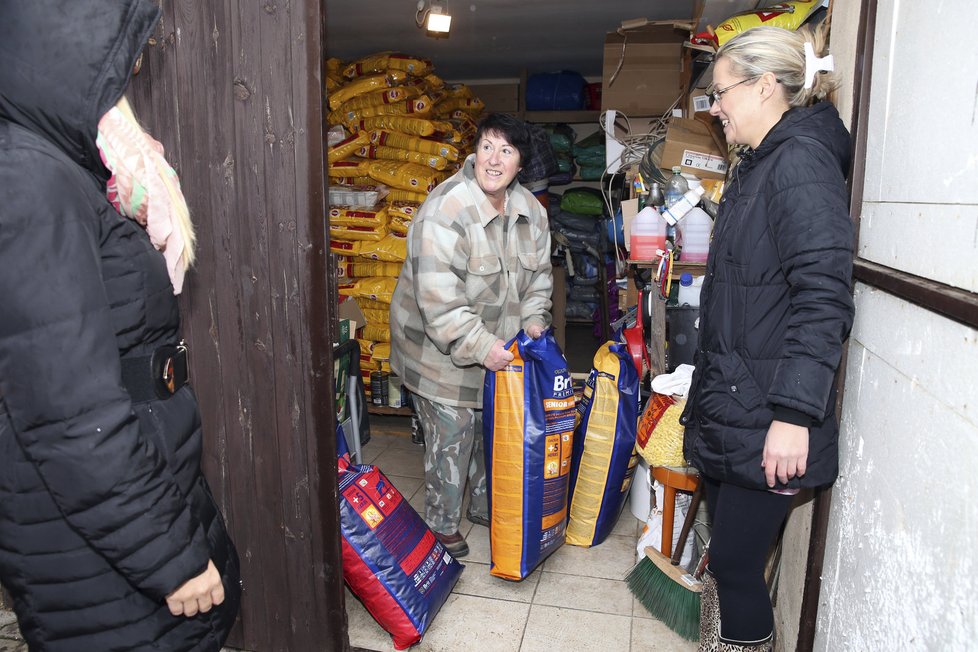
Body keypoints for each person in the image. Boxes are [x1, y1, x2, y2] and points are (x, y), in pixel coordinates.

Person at [0, 1, 240, 650]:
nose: (133, 65)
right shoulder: (25, 178)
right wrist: (170, 554)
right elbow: (70, 415)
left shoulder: (69, 166)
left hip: (135, 495)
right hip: (98, 555)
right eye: (124, 48)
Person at [679, 25, 855, 652]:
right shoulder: (760, 165)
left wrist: (793, 416)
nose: (716, 106)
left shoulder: (799, 165)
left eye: (722, 92)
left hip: (769, 417)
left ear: (764, 86)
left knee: (733, 567)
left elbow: (824, 295)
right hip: (738, 404)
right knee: (724, 561)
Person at [390, 113, 553, 558]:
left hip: (496, 343)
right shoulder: (445, 211)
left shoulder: (532, 212)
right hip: (434, 349)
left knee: (492, 423)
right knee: (455, 429)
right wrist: (485, 348)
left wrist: (535, 320)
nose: (494, 160)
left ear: (521, 164)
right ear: (474, 152)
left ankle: (483, 506)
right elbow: (439, 303)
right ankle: (440, 526)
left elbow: (538, 278)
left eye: (507, 150)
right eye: (486, 147)